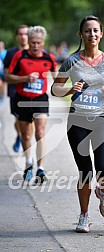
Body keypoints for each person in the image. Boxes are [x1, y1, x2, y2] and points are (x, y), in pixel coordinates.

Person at [51, 15, 104, 233]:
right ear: (80, 34)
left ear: (101, 34)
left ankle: (103, 194)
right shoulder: (71, 61)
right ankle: (83, 216)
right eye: (87, 31)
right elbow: (55, 89)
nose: (92, 34)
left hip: (100, 119)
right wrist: (71, 89)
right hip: (77, 120)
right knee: (85, 172)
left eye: (95, 30)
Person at [6, 25, 57, 183]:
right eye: (33, 42)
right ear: (29, 40)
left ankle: (41, 169)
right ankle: (29, 163)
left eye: (38, 43)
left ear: (43, 42)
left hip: (40, 98)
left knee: (40, 133)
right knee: (26, 135)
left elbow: (58, 80)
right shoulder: (19, 56)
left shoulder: (49, 58)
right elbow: (8, 77)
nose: (35, 46)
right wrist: (25, 78)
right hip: (22, 99)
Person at [4, 25, 29, 152]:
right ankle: (21, 135)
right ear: (17, 36)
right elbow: (6, 74)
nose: (23, 37)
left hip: (32, 91)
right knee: (18, 119)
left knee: (32, 119)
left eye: (26, 34)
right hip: (15, 91)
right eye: (21, 34)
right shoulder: (10, 53)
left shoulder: (35, 52)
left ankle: (26, 137)